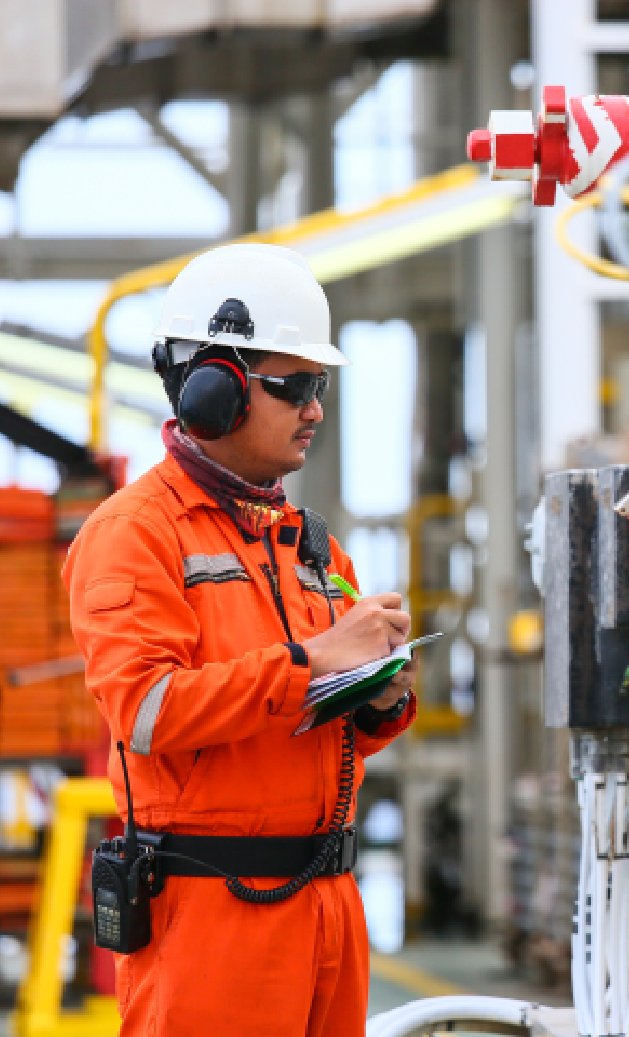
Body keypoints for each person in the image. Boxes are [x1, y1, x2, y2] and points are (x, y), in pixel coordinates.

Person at [63, 243, 418, 1036]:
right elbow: (147, 710)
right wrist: (315, 660)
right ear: (212, 392)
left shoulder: (310, 544)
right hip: (212, 921)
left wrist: (382, 693)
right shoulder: (133, 535)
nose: (315, 409)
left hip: (328, 910)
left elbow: (325, 727)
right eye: (293, 386)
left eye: (318, 387)